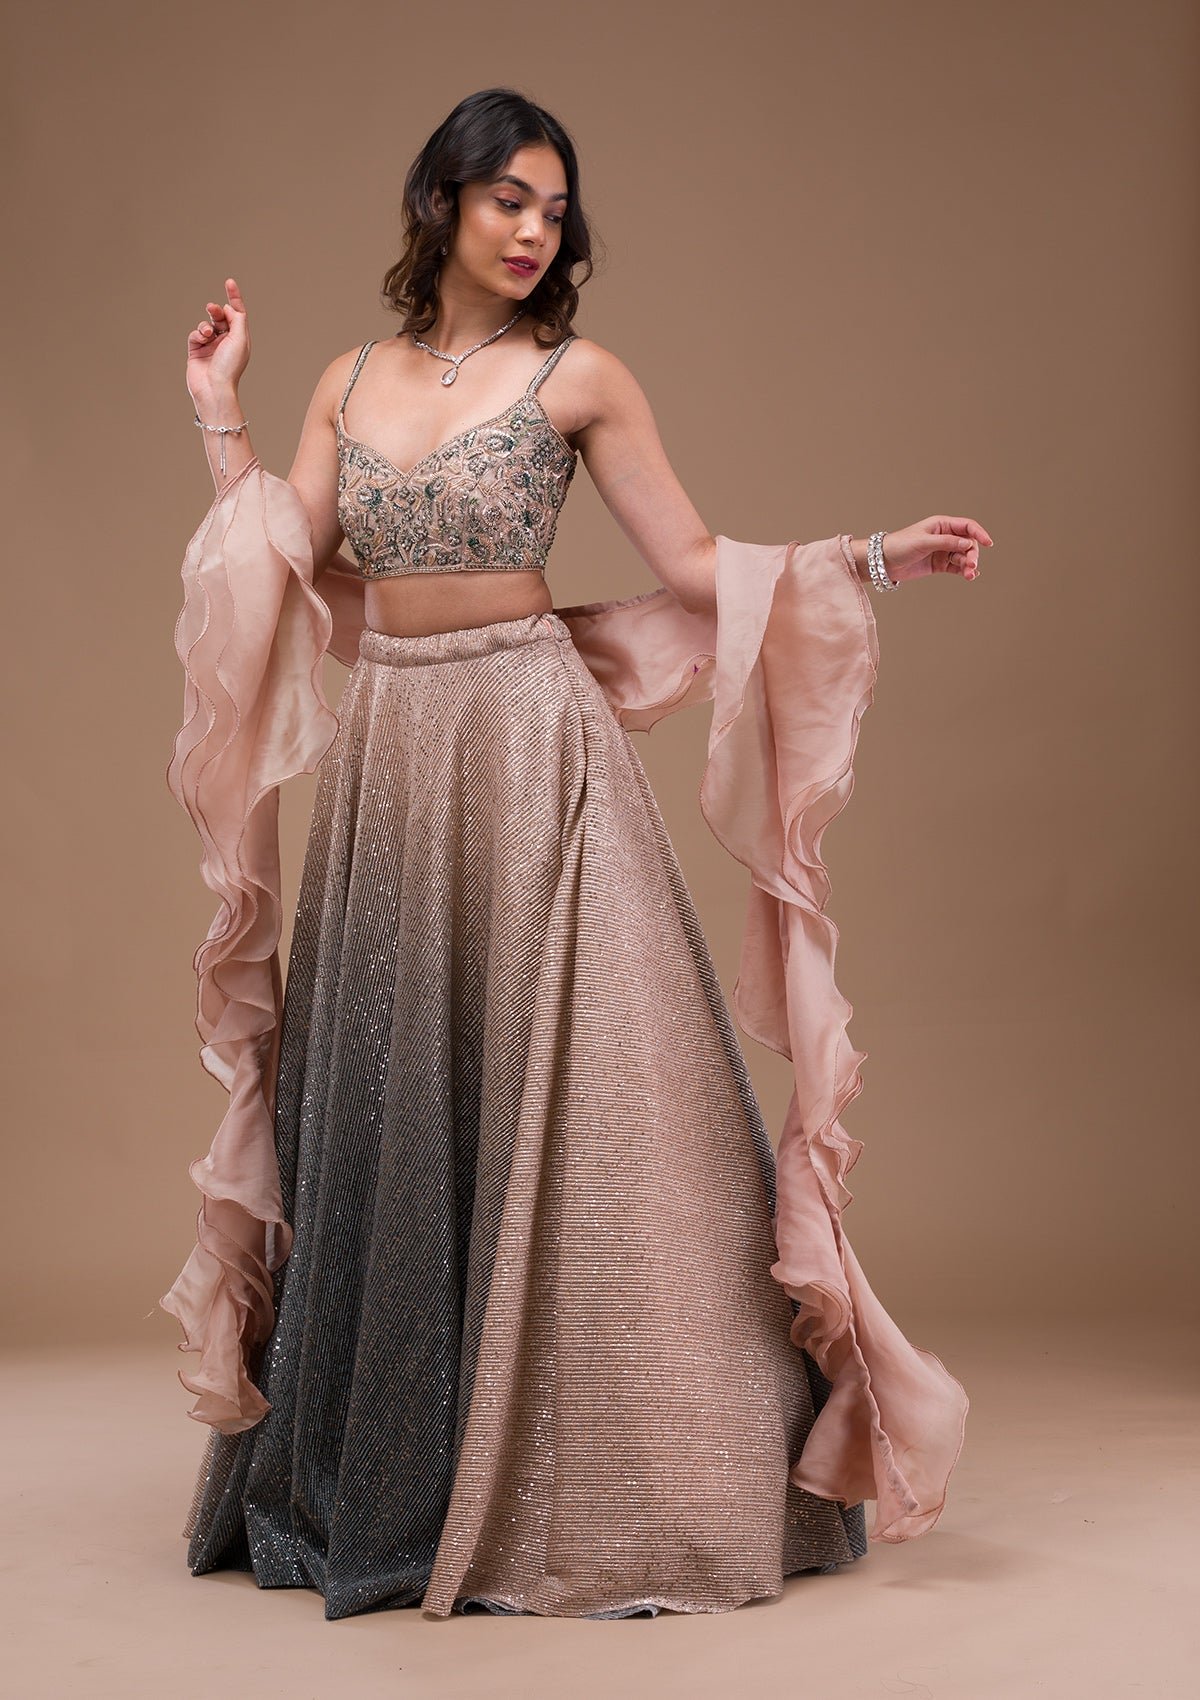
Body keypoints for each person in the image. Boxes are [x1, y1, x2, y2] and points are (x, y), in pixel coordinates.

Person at [163, 86, 990, 1621]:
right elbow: (275, 566)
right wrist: (223, 408)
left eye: (556, 209)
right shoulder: (347, 379)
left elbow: (697, 563)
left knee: (599, 1110)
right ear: (442, 202)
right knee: (393, 1092)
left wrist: (876, 557)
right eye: (510, 201)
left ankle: (624, 1481)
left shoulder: (580, 377)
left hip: (535, 746)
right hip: (396, 757)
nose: (537, 231)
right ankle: (391, 1474)